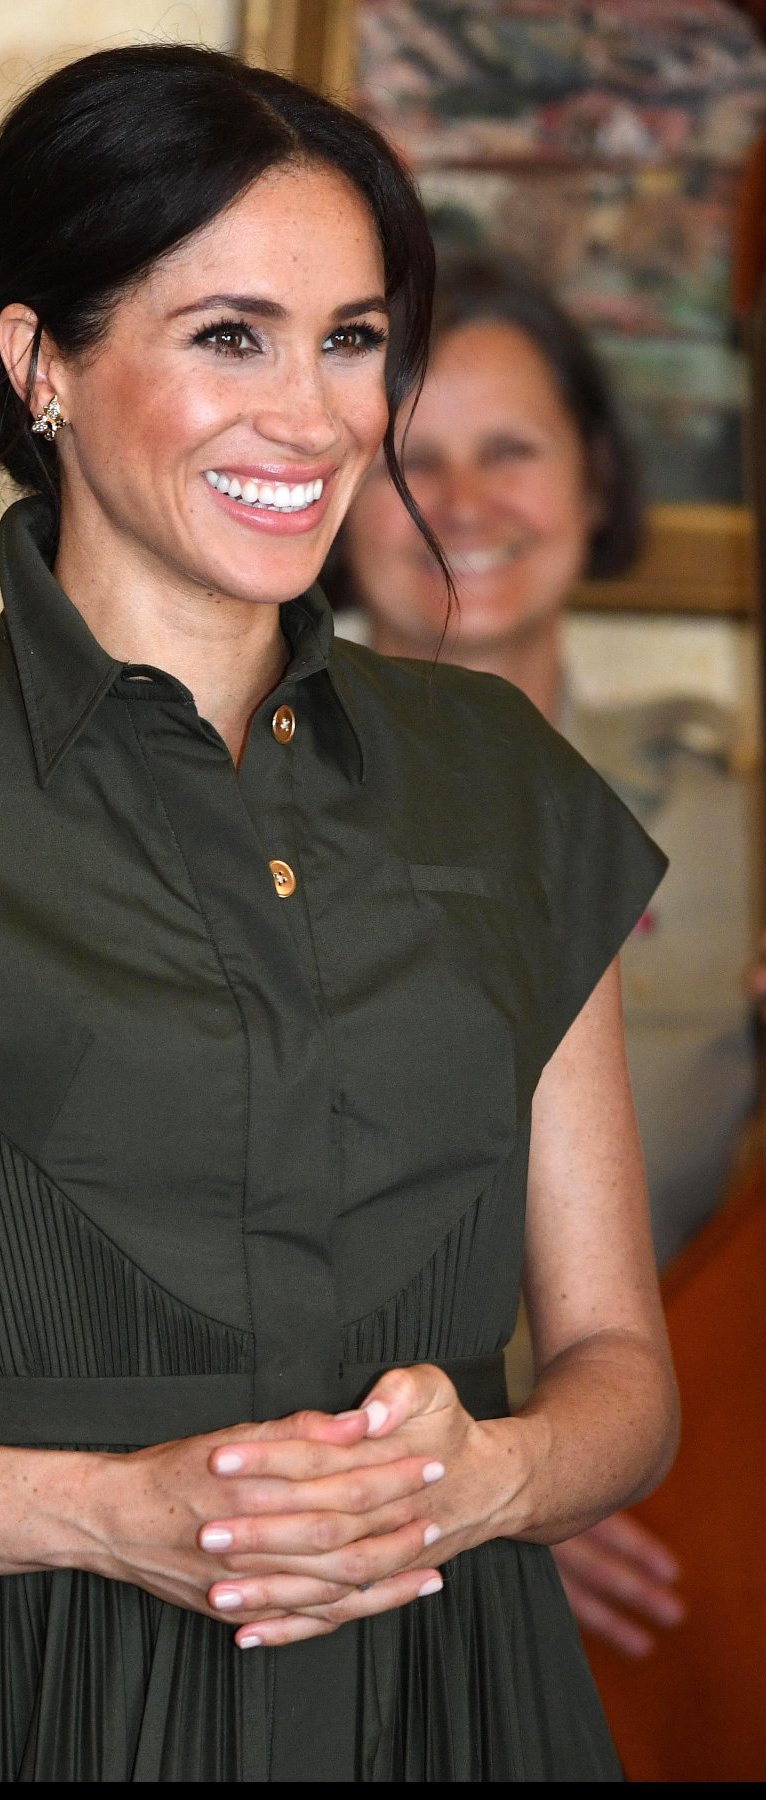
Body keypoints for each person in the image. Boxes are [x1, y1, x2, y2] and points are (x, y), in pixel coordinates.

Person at [0, 48, 674, 1782]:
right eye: (230, 335)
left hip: (453, 1692)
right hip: (6, 1692)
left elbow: (619, 1368)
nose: (314, 416)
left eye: (352, 338)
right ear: (42, 364)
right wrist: (83, 1512)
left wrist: (497, 1478)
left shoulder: (508, 786)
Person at [335, 250, 757, 1661]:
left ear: (595, 479)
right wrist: (469, 1501)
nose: (462, 502)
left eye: (510, 451)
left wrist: (571, 1467)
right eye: (415, 460)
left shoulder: (731, 825)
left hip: (671, 1544)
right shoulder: (222, 809)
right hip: (330, 1538)